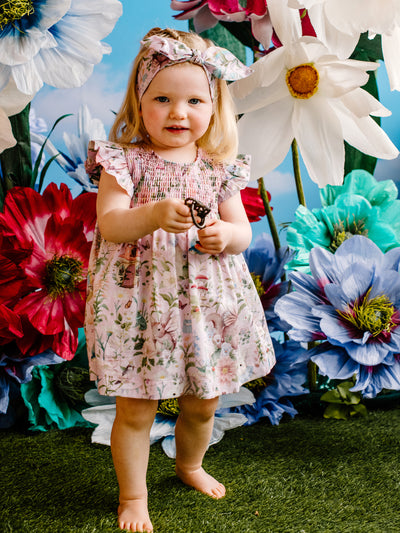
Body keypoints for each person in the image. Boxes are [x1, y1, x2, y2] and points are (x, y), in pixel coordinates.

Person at [85, 26, 275, 533]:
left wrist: (224, 236)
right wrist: (151, 215)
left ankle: (189, 464)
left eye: (194, 100)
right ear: (139, 102)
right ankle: (133, 496)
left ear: (213, 107)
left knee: (203, 401)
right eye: (163, 98)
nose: (178, 112)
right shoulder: (123, 161)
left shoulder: (219, 168)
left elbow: (243, 231)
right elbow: (110, 223)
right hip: (142, 304)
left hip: (205, 306)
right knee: (137, 407)